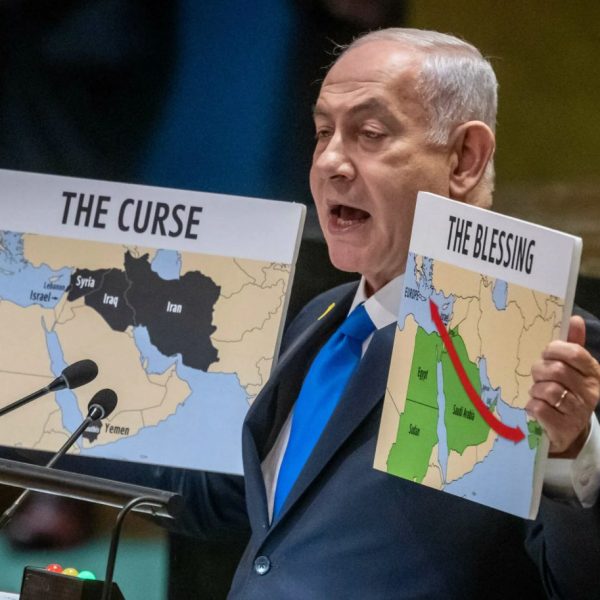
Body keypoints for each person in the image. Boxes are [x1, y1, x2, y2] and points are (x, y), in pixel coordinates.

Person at [68, 27, 600, 598]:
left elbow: (577, 582)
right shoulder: (321, 318)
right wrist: (35, 417)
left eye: (369, 134)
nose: (330, 162)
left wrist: (573, 454)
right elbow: (221, 498)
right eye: (323, 132)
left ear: (464, 159)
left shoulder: (548, 348)